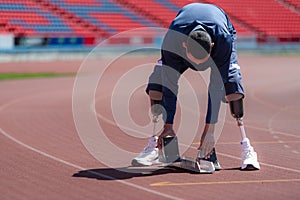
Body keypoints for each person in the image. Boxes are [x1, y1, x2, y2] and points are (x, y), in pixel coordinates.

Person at [131, 3, 260, 170]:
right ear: (185, 46)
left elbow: (216, 87)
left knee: (233, 88)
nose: (199, 65)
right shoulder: (172, 41)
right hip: (180, 40)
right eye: (194, 60)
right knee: (157, 86)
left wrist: (210, 131)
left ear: (211, 47)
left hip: (221, 29)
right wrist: (168, 126)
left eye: (203, 60)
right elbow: (170, 85)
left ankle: (247, 149)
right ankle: (156, 143)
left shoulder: (222, 41)